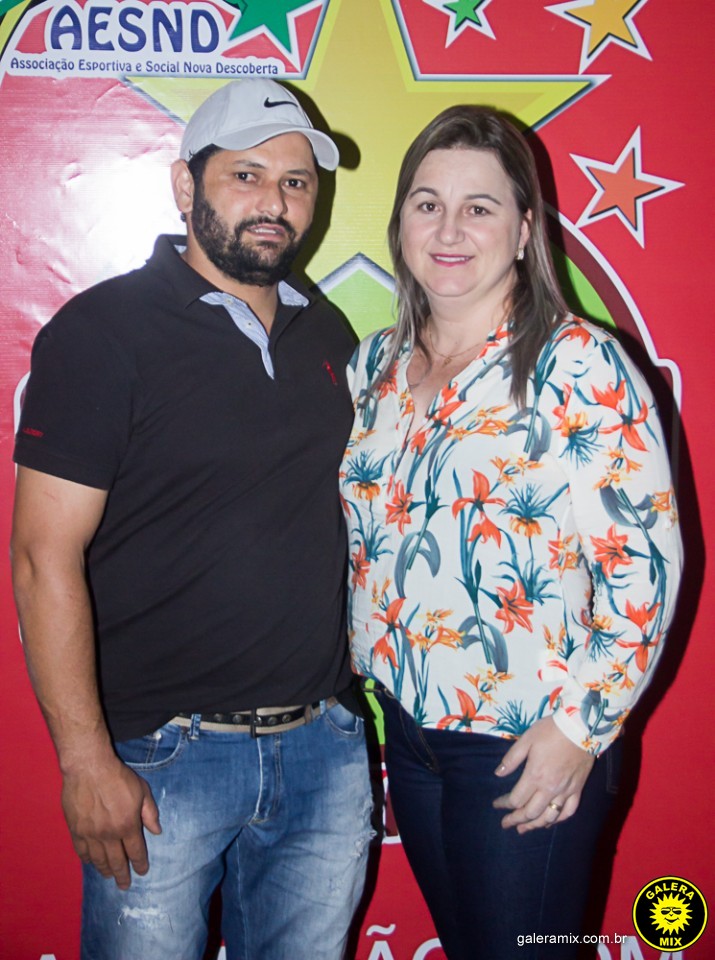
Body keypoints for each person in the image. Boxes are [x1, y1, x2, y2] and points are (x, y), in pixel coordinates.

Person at [11, 78, 373, 960]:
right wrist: (85, 762)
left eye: (296, 182)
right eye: (246, 175)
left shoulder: (327, 335)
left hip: (324, 751)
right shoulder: (101, 333)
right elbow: (41, 556)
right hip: (161, 760)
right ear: (185, 184)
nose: (274, 202)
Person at [340, 106, 682, 959]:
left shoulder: (578, 363)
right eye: (427, 204)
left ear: (525, 229)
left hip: (526, 737)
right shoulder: (372, 367)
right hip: (407, 731)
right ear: (400, 223)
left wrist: (579, 730)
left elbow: (643, 565)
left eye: (479, 207)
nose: (449, 229)